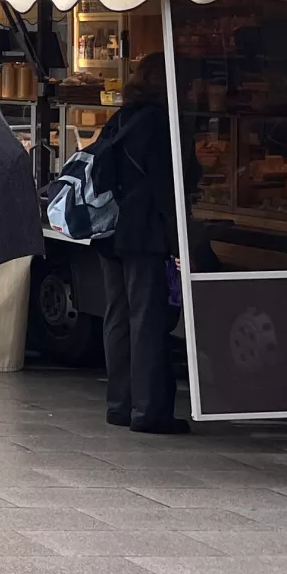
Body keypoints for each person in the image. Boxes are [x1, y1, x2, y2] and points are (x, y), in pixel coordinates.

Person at [90, 51, 196, 434]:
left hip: (110, 229)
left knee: (118, 316)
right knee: (147, 319)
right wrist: (179, 238)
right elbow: (174, 184)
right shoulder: (162, 124)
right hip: (146, 233)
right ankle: (149, 411)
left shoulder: (120, 119)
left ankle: (120, 404)